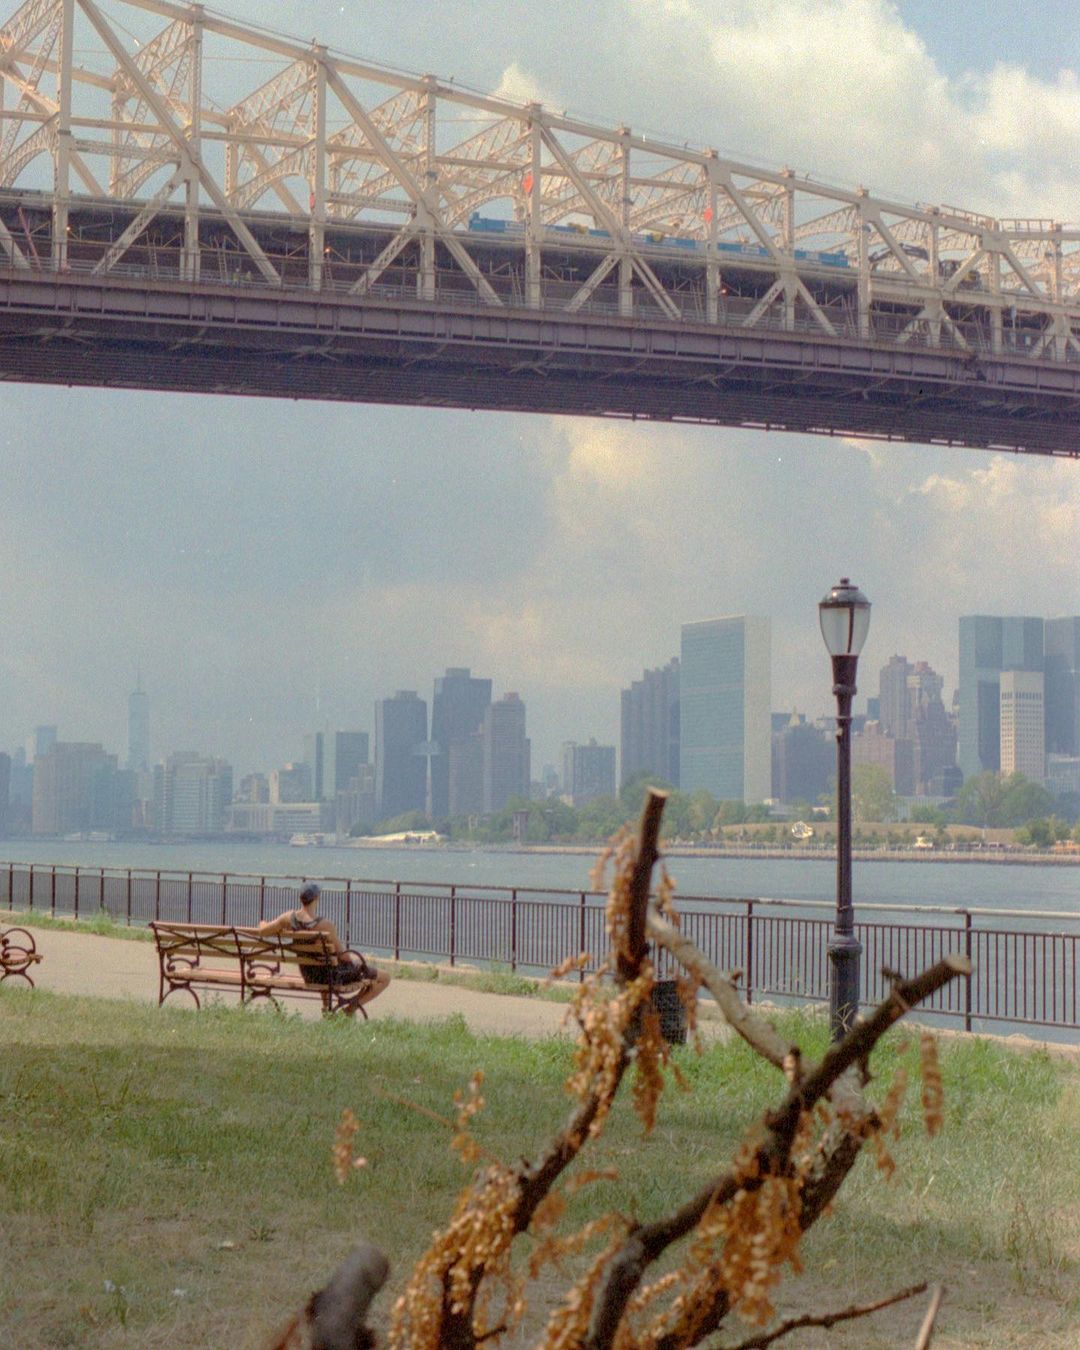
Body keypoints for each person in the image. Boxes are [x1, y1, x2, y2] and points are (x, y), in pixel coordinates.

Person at [258, 883, 389, 1013]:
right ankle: (350, 1009)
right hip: (332, 977)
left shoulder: (288, 918)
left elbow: (263, 931)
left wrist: (263, 923)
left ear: (300, 899)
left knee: (324, 963)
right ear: (317, 898)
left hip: (309, 975)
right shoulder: (325, 925)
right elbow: (344, 956)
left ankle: (327, 1010)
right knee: (385, 978)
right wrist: (357, 962)